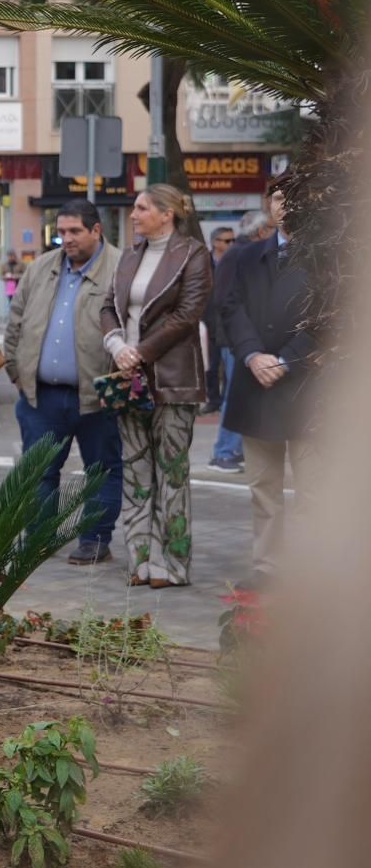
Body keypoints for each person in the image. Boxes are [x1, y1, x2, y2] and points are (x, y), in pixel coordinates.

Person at [2, 199, 124, 564]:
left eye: (75, 231)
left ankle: (95, 540)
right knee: (39, 472)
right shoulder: (41, 268)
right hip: (41, 398)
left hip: (97, 396)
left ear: (96, 230)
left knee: (101, 470)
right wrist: (16, 370)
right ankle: (40, 538)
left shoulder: (120, 269)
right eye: (61, 232)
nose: (66, 239)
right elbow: (16, 320)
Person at [102, 183, 212, 588]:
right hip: (127, 377)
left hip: (172, 379)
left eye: (142, 208)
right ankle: (140, 561)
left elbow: (187, 315)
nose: (133, 215)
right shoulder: (130, 254)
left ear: (167, 214)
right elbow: (108, 306)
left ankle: (173, 563)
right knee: (135, 471)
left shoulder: (193, 254)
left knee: (171, 472)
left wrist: (141, 352)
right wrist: (117, 345)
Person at [219, 180, 316, 579]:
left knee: (313, 489)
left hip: (308, 388)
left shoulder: (330, 257)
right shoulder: (244, 257)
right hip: (255, 384)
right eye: (278, 197)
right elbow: (229, 307)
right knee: (264, 489)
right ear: (268, 204)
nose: (286, 204)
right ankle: (269, 568)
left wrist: (287, 359)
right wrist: (253, 355)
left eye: (296, 195)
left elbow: (334, 317)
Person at [202, 225, 236, 414]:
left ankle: (226, 401)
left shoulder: (237, 261)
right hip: (207, 322)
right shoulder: (203, 263)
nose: (232, 244)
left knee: (229, 365)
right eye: (227, 241)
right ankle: (213, 400)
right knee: (211, 366)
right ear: (215, 242)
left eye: (233, 240)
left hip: (229, 322)